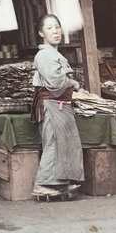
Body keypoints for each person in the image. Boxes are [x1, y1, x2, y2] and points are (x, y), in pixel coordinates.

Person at [30, 14, 84, 197]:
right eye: (49, 28)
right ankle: (41, 184)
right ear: (41, 33)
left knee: (63, 144)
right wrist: (70, 81)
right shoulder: (44, 54)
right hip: (52, 104)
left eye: (57, 27)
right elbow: (55, 82)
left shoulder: (54, 54)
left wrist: (68, 80)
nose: (55, 31)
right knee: (53, 143)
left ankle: (59, 183)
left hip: (60, 104)